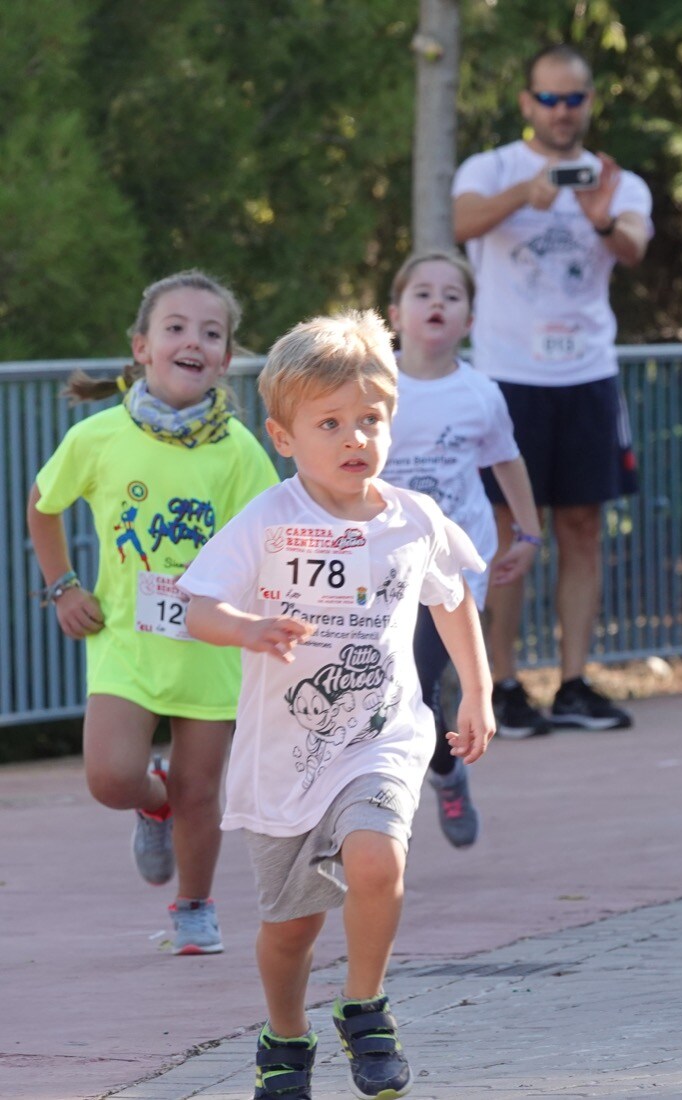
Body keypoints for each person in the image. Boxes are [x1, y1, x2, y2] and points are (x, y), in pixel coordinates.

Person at [178, 309, 495, 1100]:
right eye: (331, 424)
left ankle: (366, 1007)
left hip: (380, 737)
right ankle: (285, 1038)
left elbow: (451, 600)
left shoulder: (412, 519)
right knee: (289, 932)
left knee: (376, 859)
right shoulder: (270, 521)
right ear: (284, 437)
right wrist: (248, 628)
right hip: (282, 760)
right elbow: (198, 606)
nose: (356, 438)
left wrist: (476, 693)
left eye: (371, 419)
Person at [26, 270, 279, 955]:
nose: (191, 341)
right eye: (175, 328)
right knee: (110, 777)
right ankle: (150, 798)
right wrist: (64, 587)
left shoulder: (240, 452)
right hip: (125, 641)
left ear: (225, 359)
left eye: (210, 332)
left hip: (211, 643)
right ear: (141, 346)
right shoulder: (100, 437)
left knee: (203, 792)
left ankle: (193, 906)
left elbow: (269, 538)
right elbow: (44, 506)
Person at [452, 43, 653, 738]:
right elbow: (461, 224)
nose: (562, 112)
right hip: (509, 377)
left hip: (587, 376)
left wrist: (596, 214)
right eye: (549, 98)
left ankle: (572, 682)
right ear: (526, 103)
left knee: (580, 528)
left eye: (574, 99)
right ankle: (502, 685)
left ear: (588, 103)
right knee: (509, 528)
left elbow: (631, 243)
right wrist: (524, 196)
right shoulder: (492, 167)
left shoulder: (614, 178)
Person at [382, 250, 542, 848]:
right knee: (388, 689)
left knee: (416, 683)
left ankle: (436, 781)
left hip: (453, 565)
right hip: (380, 564)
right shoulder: (374, 384)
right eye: (423, 292)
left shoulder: (481, 393)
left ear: (469, 319)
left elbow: (507, 461)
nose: (437, 303)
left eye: (452, 295)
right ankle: (435, 771)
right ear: (395, 312)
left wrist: (527, 533)